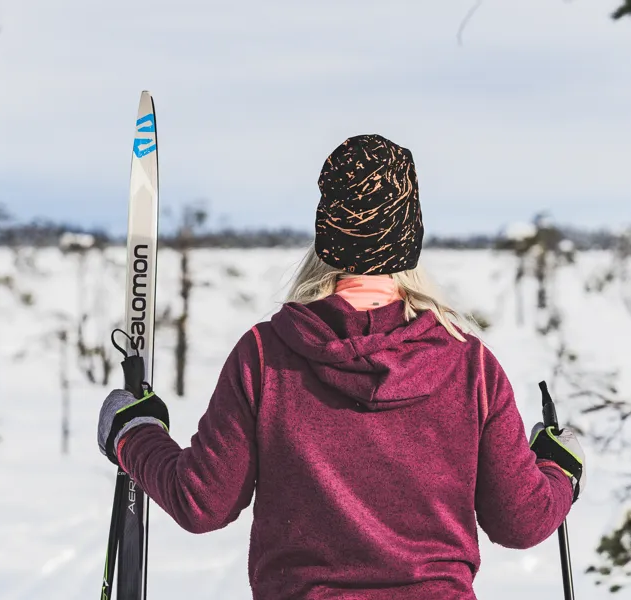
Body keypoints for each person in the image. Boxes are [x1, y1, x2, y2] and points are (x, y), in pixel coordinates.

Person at [97, 134, 585, 600]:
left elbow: (201, 501)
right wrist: (559, 467)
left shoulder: (266, 355)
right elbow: (520, 521)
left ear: (327, 233)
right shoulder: (470, 365)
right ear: (410, 234)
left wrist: (132, 433)